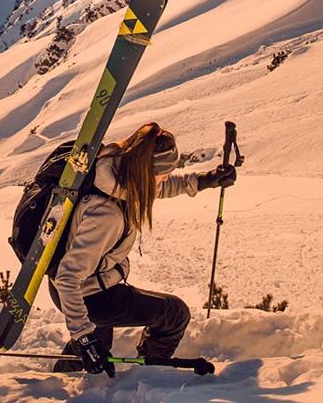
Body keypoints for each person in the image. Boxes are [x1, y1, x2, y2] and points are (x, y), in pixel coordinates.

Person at [49, 121, 236, 375]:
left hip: (93, 283)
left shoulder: (118, 174)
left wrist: (205, 180)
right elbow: (68, 278)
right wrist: (84, 338)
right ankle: (146, 377)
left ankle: (59, 378)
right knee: (174, 314)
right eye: (164, 173)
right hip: (90, 294)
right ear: (147, 173)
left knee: (96, 346)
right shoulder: (107, 215)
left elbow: (159, 188)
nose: (166, 178)